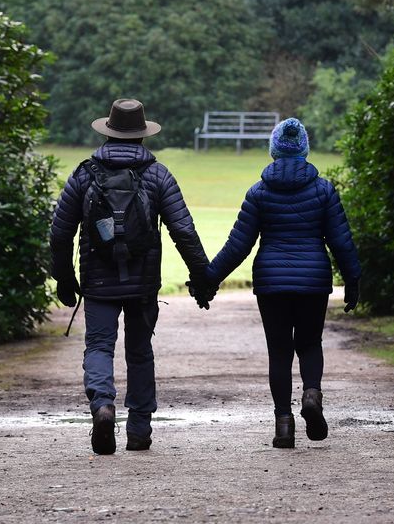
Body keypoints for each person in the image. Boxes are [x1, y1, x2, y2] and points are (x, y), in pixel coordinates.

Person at [50, 98, 216, 455]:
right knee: (140, 352)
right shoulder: (158, 175)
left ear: (108, 132)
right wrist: (203, 278)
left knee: (99, 347)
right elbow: (184, 231)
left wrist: (63, 277)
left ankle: (102, 405)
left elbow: (59, 232)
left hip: (97, 283)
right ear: (142, 135)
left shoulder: (84, 174)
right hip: (143, 284)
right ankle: (139, 430)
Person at [199, 118, 361, 448]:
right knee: (310, 344)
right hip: (313, 281)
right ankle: (311, 395)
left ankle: (284, 425)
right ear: (304, 150)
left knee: (279, 350)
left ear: (273, 151)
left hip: (271, 283)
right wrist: (353, 280)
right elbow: (341, 242)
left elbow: (238, 245)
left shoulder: (259, 192)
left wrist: (209, 280)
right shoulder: (324, 190)